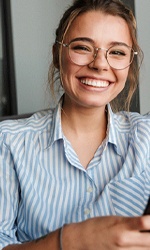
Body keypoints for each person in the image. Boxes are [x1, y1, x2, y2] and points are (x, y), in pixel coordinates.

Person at [0, 0, 150, 249]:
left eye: (117, 52)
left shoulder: (146, 136)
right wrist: (70, 240)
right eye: (83, 47)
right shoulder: (8, 142)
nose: (100, 64)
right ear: (58, 55)